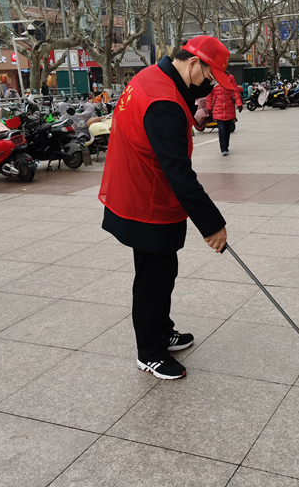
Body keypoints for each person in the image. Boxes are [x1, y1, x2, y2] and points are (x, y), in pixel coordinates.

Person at [98, 35, 230, 380]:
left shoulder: (151, 76)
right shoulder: (164, 101)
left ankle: (161, 330)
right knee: (152, 279)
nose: (209, 84)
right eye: (209, 75)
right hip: (146, 200)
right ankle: (150, 352)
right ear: (193, 63)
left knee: (164, 270)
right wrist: (212, 225)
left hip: (143, 189)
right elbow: (179, 172)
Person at [206, 72, 243, 156]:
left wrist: (239, 103)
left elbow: (235, 91)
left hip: (229, 107)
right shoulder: (213, 78)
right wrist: (209, 107)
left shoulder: (231, 78)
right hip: (218, 108)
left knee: (227, 129)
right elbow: (209, 95)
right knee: (222, 129)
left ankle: (226, 145)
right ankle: (223, 148)